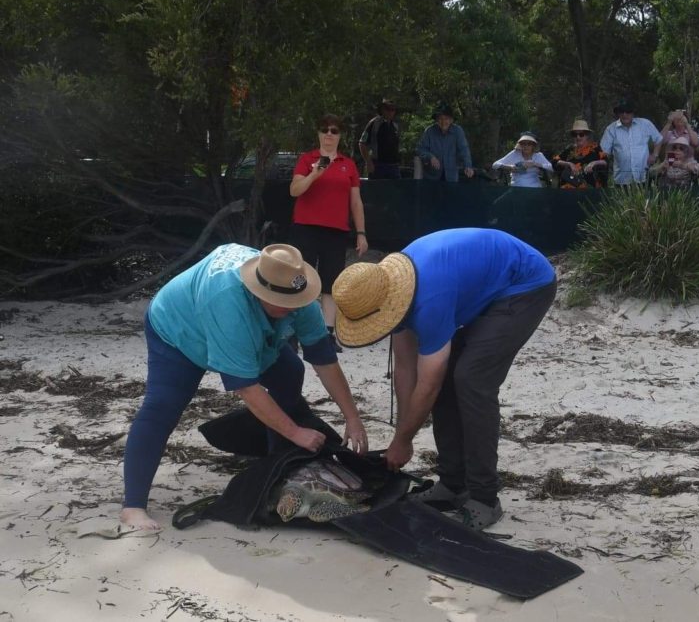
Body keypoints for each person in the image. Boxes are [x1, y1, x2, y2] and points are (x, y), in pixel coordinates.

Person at [120, 243, 369, 531]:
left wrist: (353, 417)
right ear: (258, 291)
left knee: (289, 372)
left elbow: (324, 360)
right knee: (162, 407)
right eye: (282, 302)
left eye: (295, 302)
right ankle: (133, 506)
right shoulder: (228, 301)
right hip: (179, 332)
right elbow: (247, 388)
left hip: (247, 328)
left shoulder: (297, 296)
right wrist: (296, 432)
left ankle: (277, 465)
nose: (292, 309)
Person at [332, 228, 556, 530]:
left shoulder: (427, 300)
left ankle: (484, 497)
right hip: (481, 283)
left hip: (525, 284)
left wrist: (404, 441)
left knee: (471, 379)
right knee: (450, 376)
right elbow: (405, 369)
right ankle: (452, 484)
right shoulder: (389, 292)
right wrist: (402, 432)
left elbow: (429, 383)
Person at [289, 114, 368, 347]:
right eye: (325, 130)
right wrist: (314, 174)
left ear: (340, 135)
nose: (329, 135)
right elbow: (294, 190)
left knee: (330, 282)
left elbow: (356, 202)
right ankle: (293, 332)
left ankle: (327, 334)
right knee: (298, 280)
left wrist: (361, 233)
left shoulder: (348, 164)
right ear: (318, 133)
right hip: (305, 227)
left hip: (335, 230)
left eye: (334, 130)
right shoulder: (308, 159)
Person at [599, 99, 662, 185]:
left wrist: (655, 155)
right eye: (621, 111)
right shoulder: (611, 129)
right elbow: (604, 152)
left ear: (633, 112)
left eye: (628, 111)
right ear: (618, 113)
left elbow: (658, 139)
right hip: (621, 180)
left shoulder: (645, 124)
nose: (625, 114)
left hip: (644, 177)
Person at [416, 103, 474, 182]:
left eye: (446, 118)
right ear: (436, 120)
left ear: (451, 120)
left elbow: (464, 150)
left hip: (451, 177)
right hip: (432, 177)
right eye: (440, 119)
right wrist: (430, 157)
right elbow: (420, 149)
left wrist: (468, 166)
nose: (443, 122)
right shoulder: (429, 131)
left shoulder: (458, 131)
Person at [552, 119, 608, 188]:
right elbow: (554, 161)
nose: (578, 137)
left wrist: (593, 163)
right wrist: (569, 164)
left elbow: (605, 162)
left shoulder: (595, 148)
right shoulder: (569, 149)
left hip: (589, 190)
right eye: (575, 135)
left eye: (581, 134)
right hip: (568, 189)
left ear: (587, 135)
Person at [358, 99, 401, 179]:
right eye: (387, 109)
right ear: (382, 110)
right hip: (378, 165)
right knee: (376, 190)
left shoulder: (395, 125)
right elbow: (362, 143)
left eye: (392, 109)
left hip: (394, 166)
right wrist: (368, 162)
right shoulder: (374, 123)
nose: (390, 112)